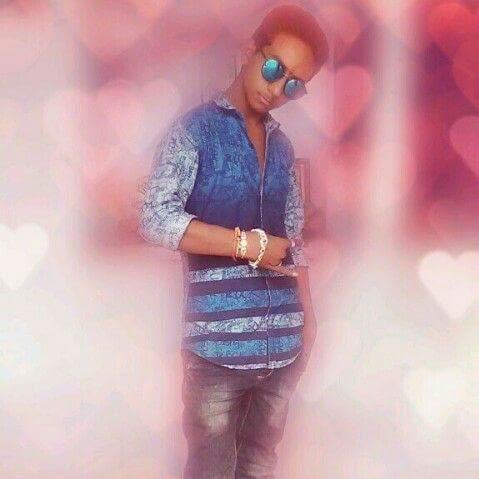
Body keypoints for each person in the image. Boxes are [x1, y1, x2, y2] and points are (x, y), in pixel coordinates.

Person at [138, 4, 329, 478]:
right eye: (274, 69)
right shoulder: (195, 131)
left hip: (282, 346)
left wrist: (308, 319)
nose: (277, 89)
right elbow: (155, 218)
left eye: (294, 85)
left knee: (260, 464)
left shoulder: (282, 147)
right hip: (216, 352)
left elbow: (293, 237)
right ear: (250, 50)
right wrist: (248, 245)